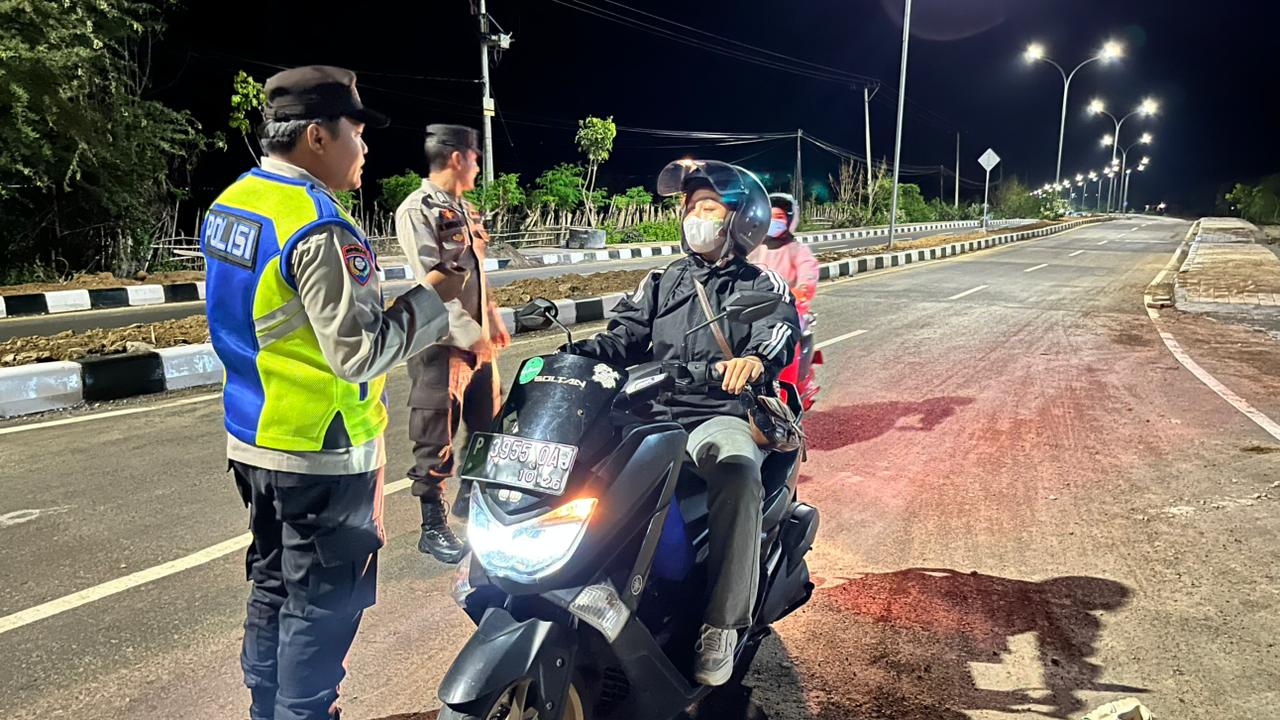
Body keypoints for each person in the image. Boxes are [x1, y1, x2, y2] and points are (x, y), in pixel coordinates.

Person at [202, 65, 465, 720]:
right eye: (357, 130)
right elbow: (358, 353)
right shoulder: (318, 228)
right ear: (317, 136)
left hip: (254, 438)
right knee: (321, 608)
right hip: (322, 452)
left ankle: (267, 709)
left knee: (272, 584)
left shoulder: (234, 203)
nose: (365, 145)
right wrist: (433, 297)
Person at [568, 159, 800, 686]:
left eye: (708, 208)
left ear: (740, 220)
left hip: (716, 413)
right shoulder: (664, 280)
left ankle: (722, 625)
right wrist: (580, 355)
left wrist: (754, 360)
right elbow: (622, 336)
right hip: (649, 411)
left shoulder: (759, 284)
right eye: (691, 207)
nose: (695, 217)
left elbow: (778, 331)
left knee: (738, 474)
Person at [395, 124, 510, 564]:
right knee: (435, 436)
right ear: (458, 158)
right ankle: (432, 527)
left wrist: (492, 317)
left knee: (489, 424)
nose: (479, 166)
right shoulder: (417, 210)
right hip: (442, 344)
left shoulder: (465, 209)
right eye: (476, 158)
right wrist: (470, 334)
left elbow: (476, 273)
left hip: (478, 342)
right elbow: (432, 284)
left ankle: (473, 500)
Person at [747, 193, 819, 391]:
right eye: (770, 217)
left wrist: (801, 290)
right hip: (752, 308)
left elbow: (808, 273)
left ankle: (791, 385)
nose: (774, 222)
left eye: (779, 218)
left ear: (789, 220)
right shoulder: (754, 247)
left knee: (791, 336)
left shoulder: (796, 250)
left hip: (788, 309)